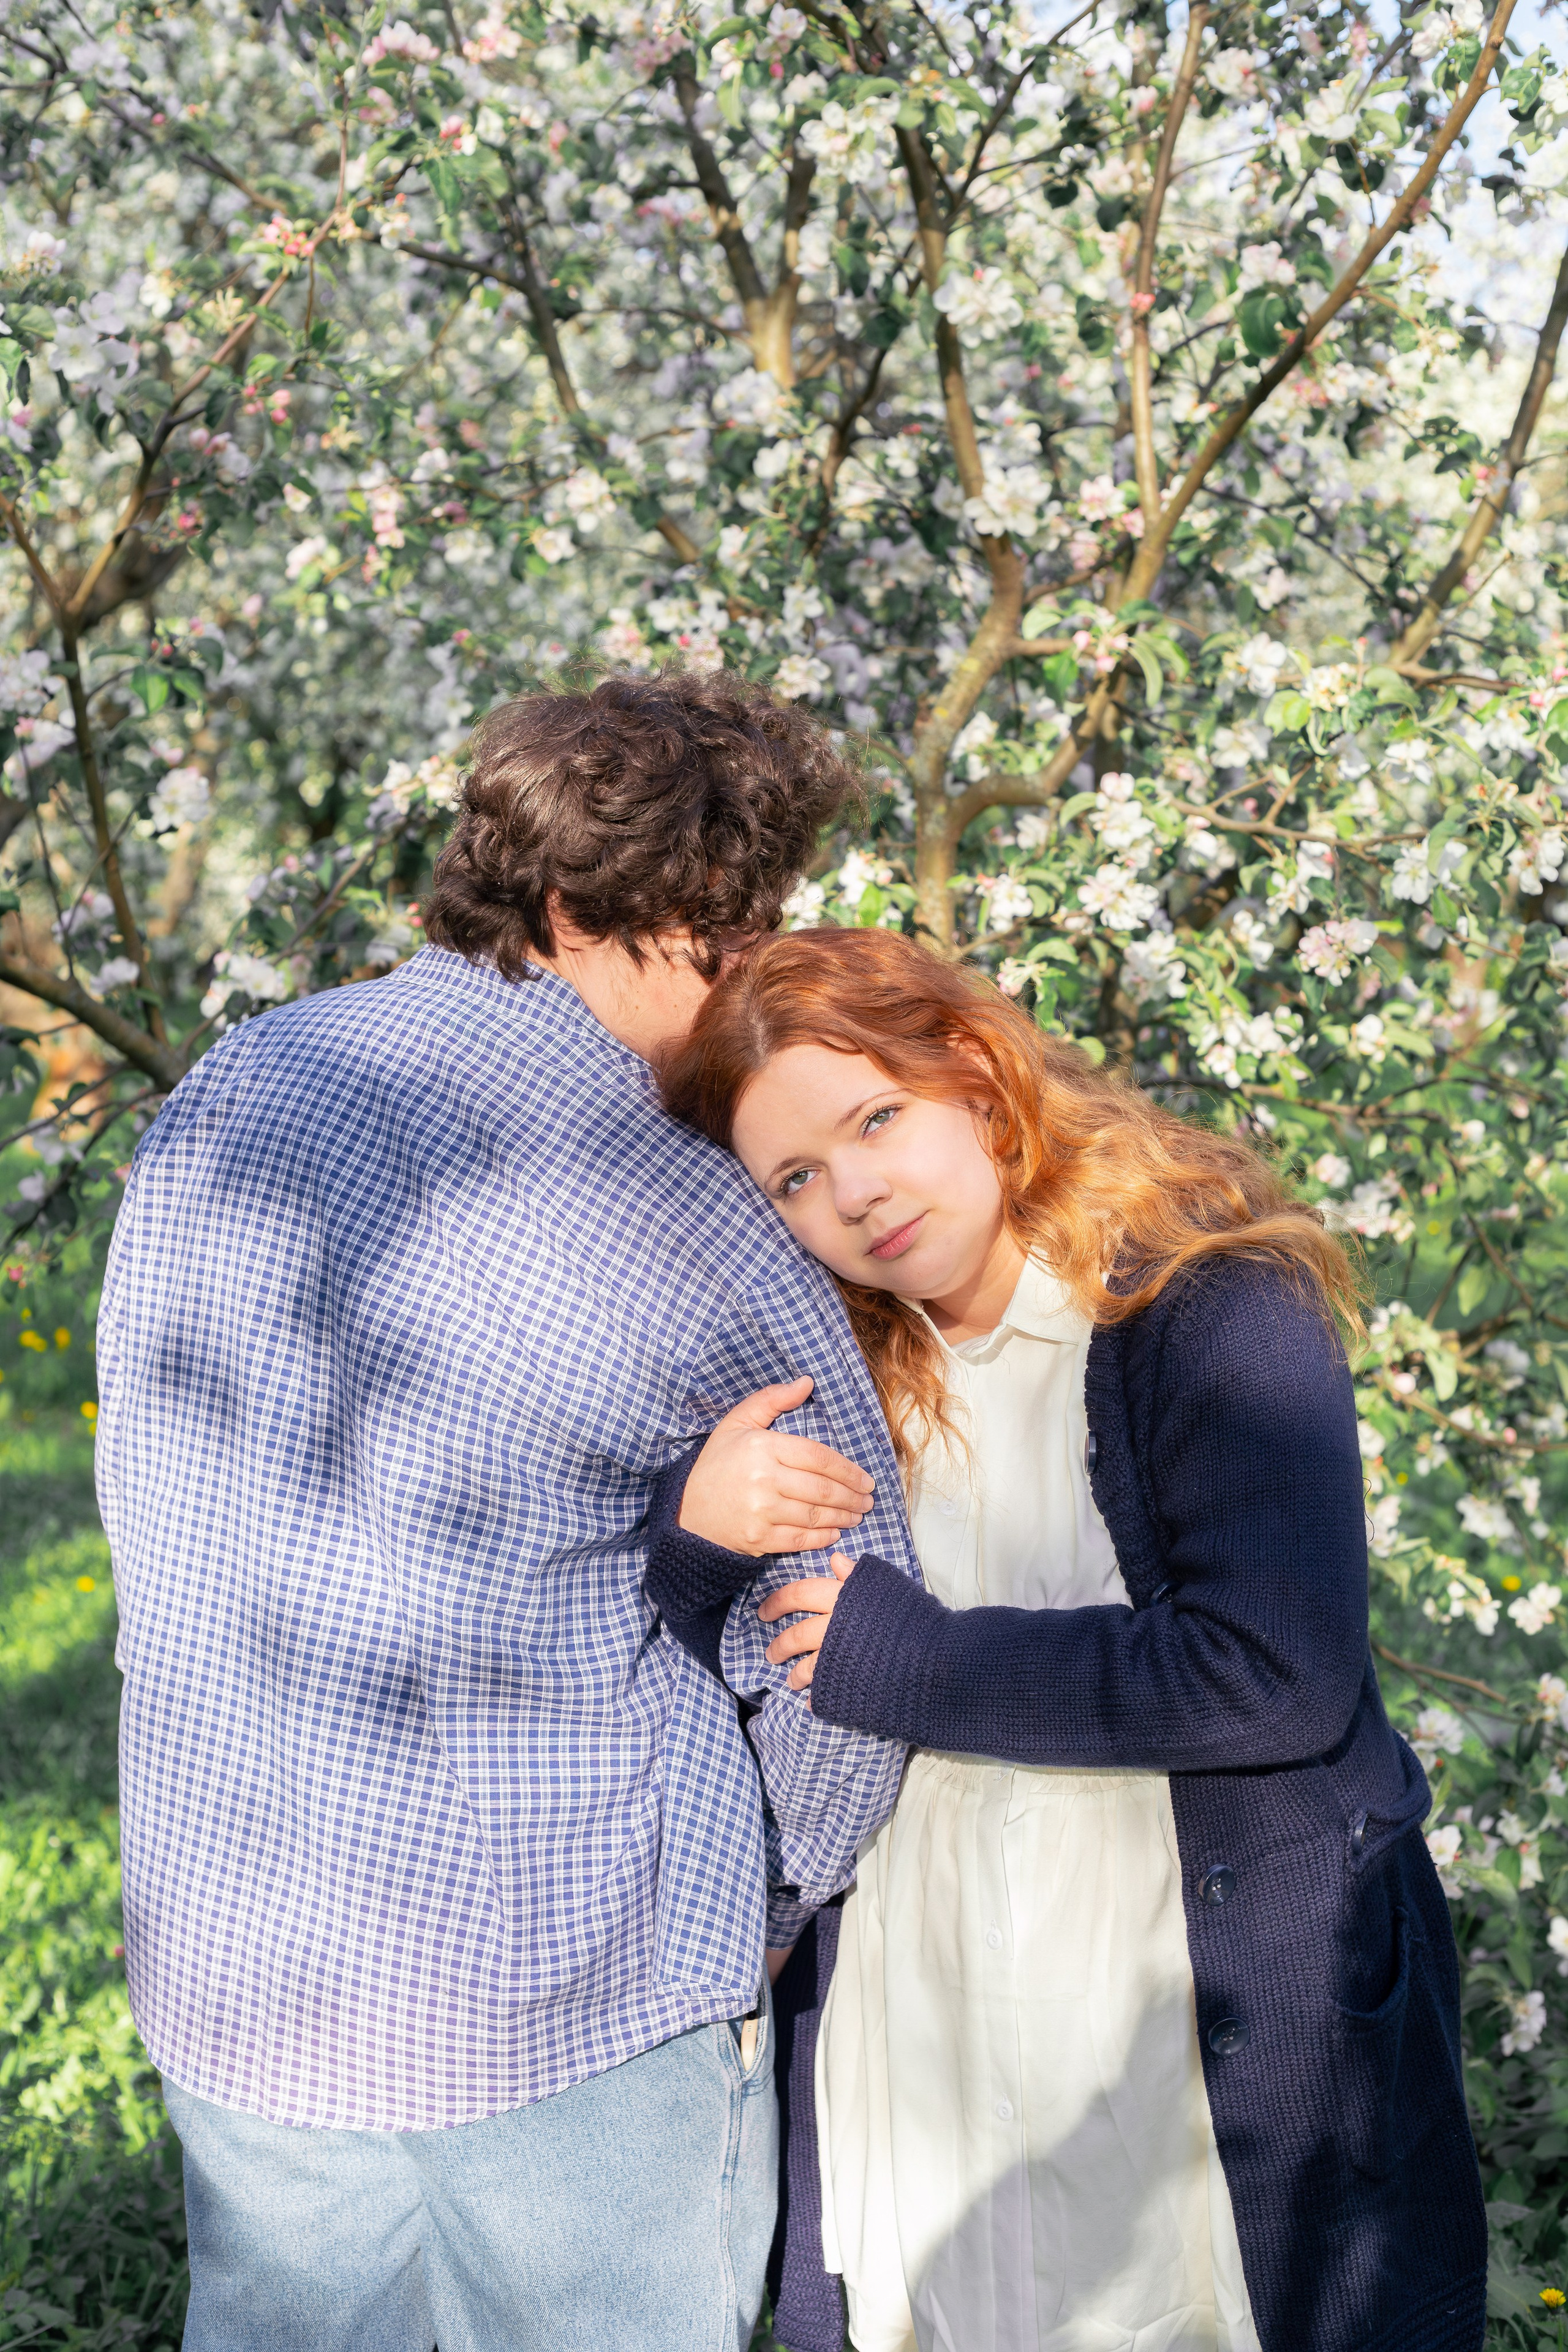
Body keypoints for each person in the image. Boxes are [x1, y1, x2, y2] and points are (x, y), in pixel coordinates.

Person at [96, 673, 921, 2352]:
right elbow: (851, 1634)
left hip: (245, 1955)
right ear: (569, 909)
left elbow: (152, 1484)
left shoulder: (233, 1093)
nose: (747, 963)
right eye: (716, 925)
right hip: (584, 1988)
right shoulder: (687, 1203)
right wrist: (763, 1906)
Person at [646, 925, 1487, 2352]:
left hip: (1185, 2056)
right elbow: (708, 1677)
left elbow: (1272, 1674)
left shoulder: (1207, 1296)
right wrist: (694, 1538)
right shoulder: (840, 1374)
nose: (855, 1193)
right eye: (794, 1177)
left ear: (971, 1075)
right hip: (921, 2057)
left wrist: (907, 1661)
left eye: (875, 1119)